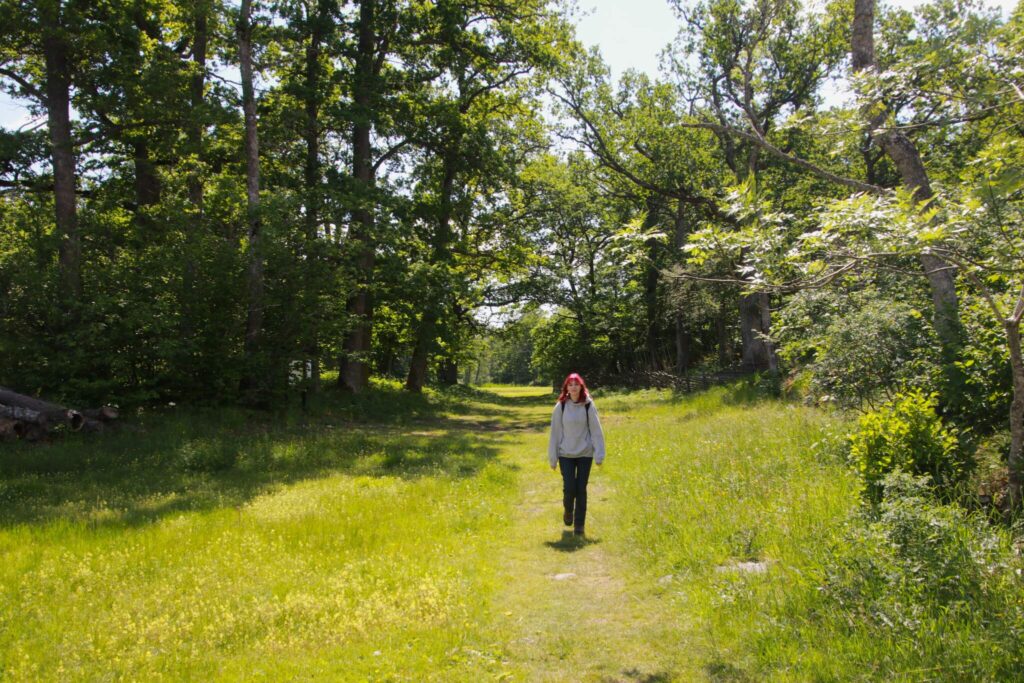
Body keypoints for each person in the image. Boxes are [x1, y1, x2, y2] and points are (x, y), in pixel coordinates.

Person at [547, 372, 606, 536]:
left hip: (585, 453)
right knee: (569, 488)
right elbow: (555, 433)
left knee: (581, 489)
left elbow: (596, 431)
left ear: (581, 386)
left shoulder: (588, 405)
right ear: (566, 387)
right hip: (566, 453)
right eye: (570, 384)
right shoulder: (561, 406)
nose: (573, 387)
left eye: (576, 384)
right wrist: (553, 458)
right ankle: (568, 510)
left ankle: (579, 525)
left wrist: (599, 454)